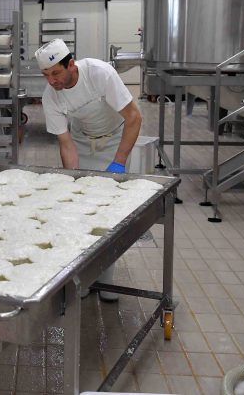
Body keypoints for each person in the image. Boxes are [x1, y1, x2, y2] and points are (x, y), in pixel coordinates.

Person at [35, 38, 143, 301]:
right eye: (46, 75)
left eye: (56, 73)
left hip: (116, 139)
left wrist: (119, 161)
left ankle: (106, 279)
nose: (51, 81)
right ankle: (82, 276)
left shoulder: (99, 73)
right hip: (82, 141)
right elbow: (66, 143)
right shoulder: (51, 96)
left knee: (110, 212)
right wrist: (72, 180)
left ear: (71, 64)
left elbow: (133, 117)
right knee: (79, 211)